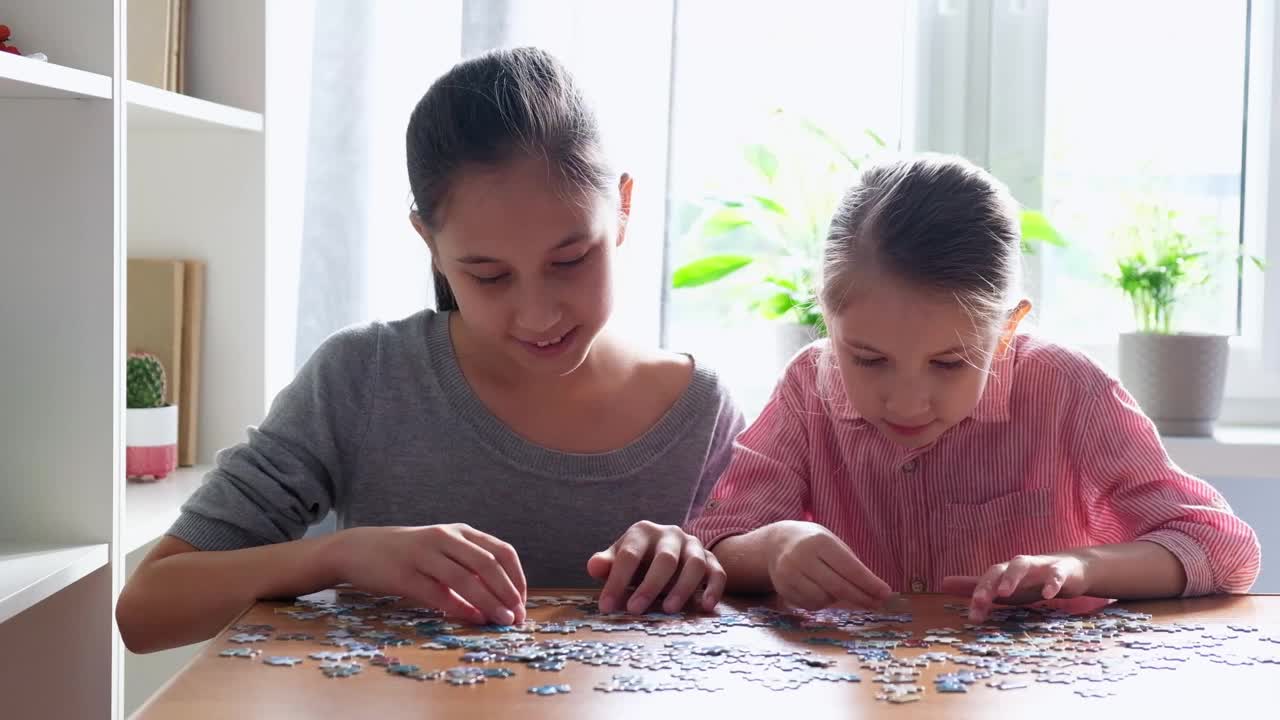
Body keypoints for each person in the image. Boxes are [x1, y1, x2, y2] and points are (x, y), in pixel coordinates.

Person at [117, 47, 743, 653]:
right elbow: (146, 611)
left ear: (624, 210)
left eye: (571, 260)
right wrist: (338, 555)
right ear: (431, 245)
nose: (539, 313)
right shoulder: (363, 378)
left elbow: (778, 603)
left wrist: (712, 560)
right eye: (489, 276)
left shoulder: (701, 409)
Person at [689, 153, 1260, 622]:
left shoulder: (1067, 389)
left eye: (949, 363)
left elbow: (1225, 548)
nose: (907, 401)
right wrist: (774, 547)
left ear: (1007, 329)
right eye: (867, 359)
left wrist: (1081, 567)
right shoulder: (807, 385)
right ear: (826, 319)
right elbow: (715, 539)